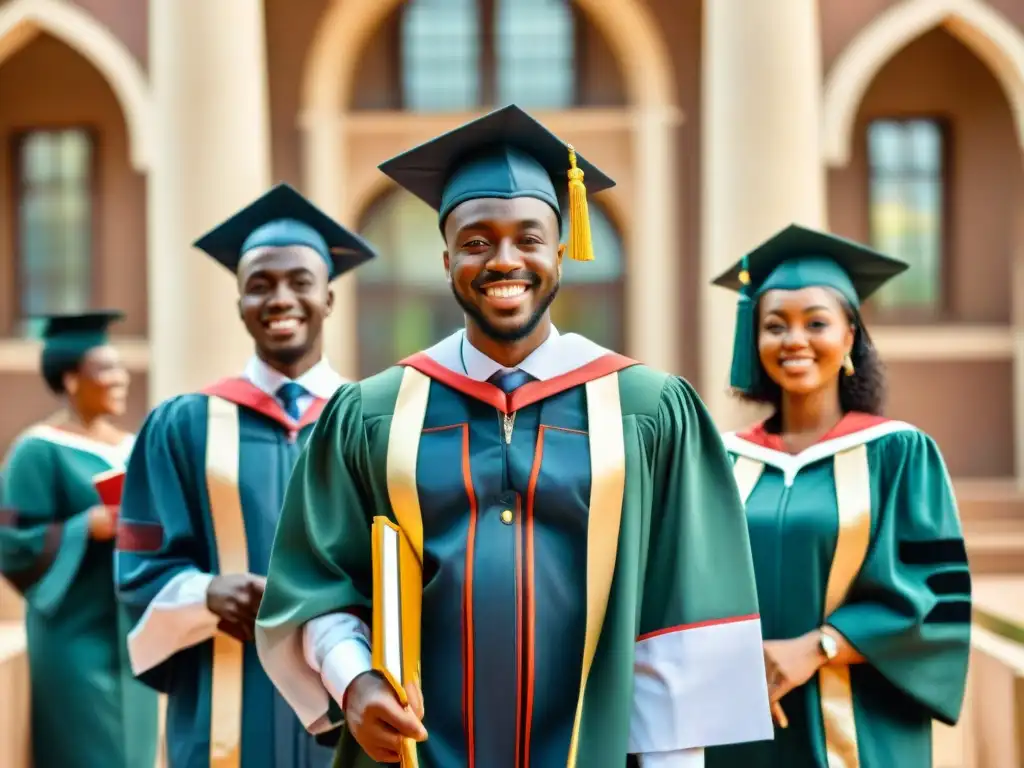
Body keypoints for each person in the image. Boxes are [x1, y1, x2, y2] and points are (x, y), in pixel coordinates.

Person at [255, 104, 774, 768]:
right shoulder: (372, 414)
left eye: (528, 239)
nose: (504, 259)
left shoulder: (648, 409)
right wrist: (354, 683)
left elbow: (682, 619)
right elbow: (319, 583)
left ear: (561, 253)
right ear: (446, 261)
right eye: (477, 241)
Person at [114, 183, 378, 768]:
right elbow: (137, 571)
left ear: (329, 298)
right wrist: (205, 593)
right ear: (239, 304)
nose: (280, 298)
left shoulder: (371, 422)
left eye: (299, 282)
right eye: (259, 285)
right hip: (223, 701)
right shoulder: (182, 426)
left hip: (354, 702)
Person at [704, 224, 972, 768]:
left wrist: (817, 647)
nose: (794, 340)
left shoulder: (899, 454)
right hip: (740, 725)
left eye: (816, 323)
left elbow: (934, 599)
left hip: (860, 731)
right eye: (774, 325)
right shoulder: (722, 461)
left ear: (850, 337)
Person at [0, 310, 159, 767]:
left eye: (120, 366)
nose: (120, 378)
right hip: (74, 638)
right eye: (105, 369)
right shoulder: (37, 449)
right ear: (71, 380)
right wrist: (82, 527)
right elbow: (13, 545)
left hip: (132, 634)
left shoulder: (132, 446)